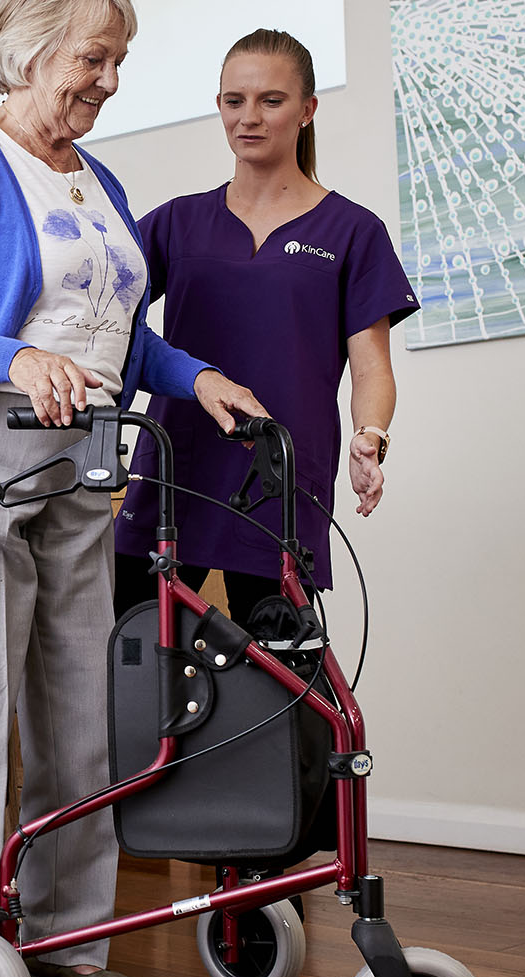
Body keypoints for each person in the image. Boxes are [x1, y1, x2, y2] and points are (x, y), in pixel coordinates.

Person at [0, 2, 268, 977]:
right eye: (94, 57)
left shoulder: (99, 183)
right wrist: (13, 355)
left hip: (76, 471)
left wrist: (196, 378)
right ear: (33, 51)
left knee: (79, 722)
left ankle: (65, 949)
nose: (107, 78)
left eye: (117, 60)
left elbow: (115, 336)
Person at [112, 28, 415, 617]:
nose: (248, 117)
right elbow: (97, 311)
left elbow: (372, 365)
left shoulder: (352, 232)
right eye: (234, 101)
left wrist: (369, 436)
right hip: (178, 468)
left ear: (307, 110)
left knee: (280, 681)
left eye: (271, 101)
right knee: (130, 659)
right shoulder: (177, 223)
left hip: (278, 472)